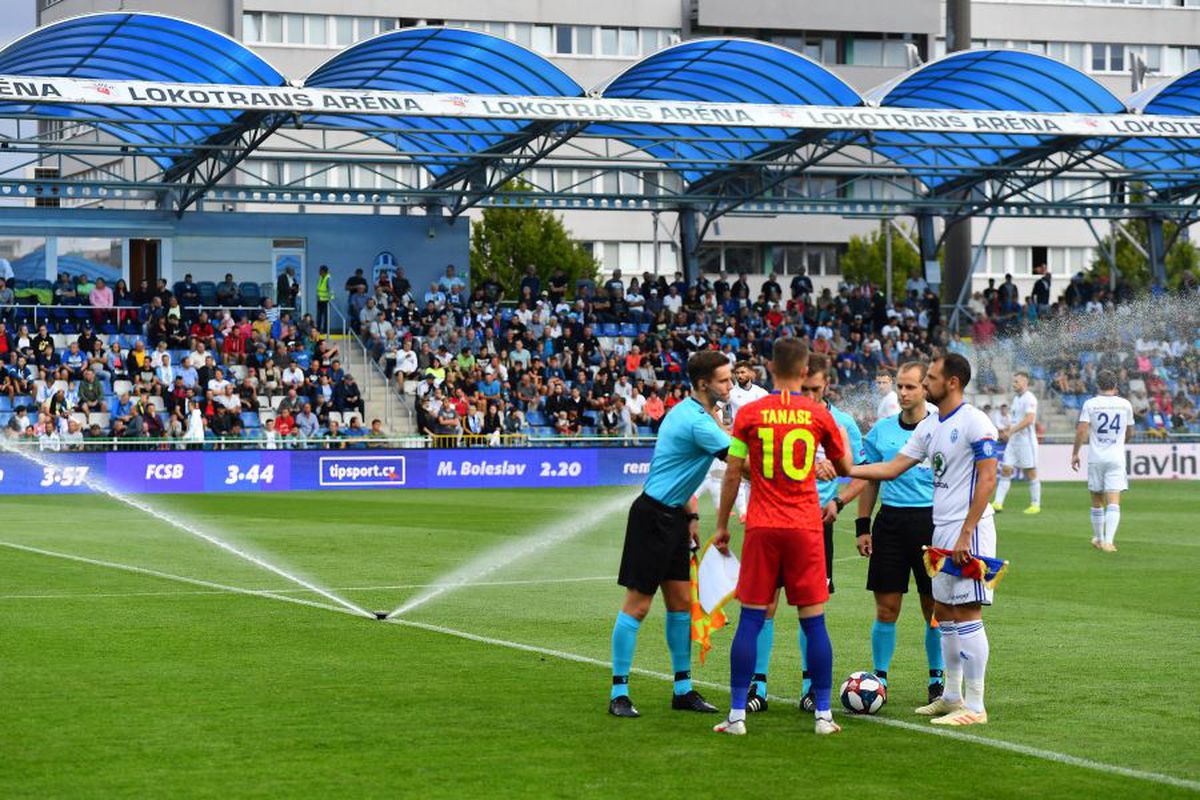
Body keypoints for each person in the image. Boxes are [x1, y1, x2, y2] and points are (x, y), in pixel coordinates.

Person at [711, 337, 852, 736]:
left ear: (770, 369)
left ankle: (738, 714)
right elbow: (845, 466)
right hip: (805, 527)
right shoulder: (817, 415)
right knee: (814, 622)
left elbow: (733, 471)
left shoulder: (750, 414)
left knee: (751, 620)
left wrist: (722, 525)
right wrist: (821, 459)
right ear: (806, 372)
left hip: (762, 525)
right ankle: (823, 715)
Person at [849, 354, 999, 726]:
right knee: (943, 613)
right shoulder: (931, 426)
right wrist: (845, 469)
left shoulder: (975, 422)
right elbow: (893, 467)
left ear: (951, 383)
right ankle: (950, 696)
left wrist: (967, 532)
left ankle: (975, 706)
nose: (925, 383)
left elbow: (989, 479)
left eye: (930, 377)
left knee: (968, 612)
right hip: (941, 528)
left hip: (970, 530)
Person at [607, 350, 732, 719]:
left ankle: (682, 689)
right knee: (639, 605)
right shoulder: (697, 420)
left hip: (675, 516)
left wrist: (691, 514)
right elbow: (741, 460)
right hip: (652, 518)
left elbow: (683, 470)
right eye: (724, 380)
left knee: (680, 604)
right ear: (703, 383)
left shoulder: (698, 414)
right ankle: (619, 693)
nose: (729, 385)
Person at [746, 353, 863, 713]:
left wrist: (839, 502)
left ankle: (811, 688)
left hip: (815, 526)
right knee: (765, 606)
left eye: (815, 389)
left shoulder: (841, 423)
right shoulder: (774, 416)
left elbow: (858, 473)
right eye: (805, 388)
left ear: (825, 383)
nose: (809, 396)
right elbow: (749, 467)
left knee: (810, 610)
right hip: (774, 522)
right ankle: (758, 687)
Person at [851, 361, 944, 703]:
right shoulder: (881, 430)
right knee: (886, 607)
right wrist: (863, 525)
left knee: (934, 607)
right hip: (890, 524)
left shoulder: (939, 427)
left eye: (910, 387)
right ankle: (880, 679)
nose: (903, 393)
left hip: (931, 523)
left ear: (925, 389)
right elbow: (869, 478)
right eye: (900, 387)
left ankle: (937, 679)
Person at [1071, 369, 1133, 552]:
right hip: (1116, 457)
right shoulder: (1125, 405)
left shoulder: (1090, 404)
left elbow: (1081, 430)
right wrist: (1122, 441)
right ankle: (1108, 541)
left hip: (1096, 457)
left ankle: (1098, 538)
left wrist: (1075, 453)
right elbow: (1130, 431)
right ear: (1115, 385)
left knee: (1097, 500)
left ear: (1097, 385)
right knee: (1113, 500)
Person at [992, 371, 1040, 514]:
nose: (1014, 384)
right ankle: (998, 503)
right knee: (1006, 469)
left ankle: (1035, 504)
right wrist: (1006, 430)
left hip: (1026, 441)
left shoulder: (1029, 398)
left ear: (1025, 382)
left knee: (1030, 472)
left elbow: (1029, 419)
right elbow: (1015, 420)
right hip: (1013, 442)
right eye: (1013, 382)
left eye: (1016, 382)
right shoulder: (1016, 399)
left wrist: (1011, 431)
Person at [316, 265, 333, 333]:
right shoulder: (320, 278)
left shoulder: (328, 278)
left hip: (326, 300)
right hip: (320, 300)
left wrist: (329, 299)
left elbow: (330, 290)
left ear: (324, 271)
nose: (319, 272)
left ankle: (326, 331)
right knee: (319, 316)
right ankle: (318, 330)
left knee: (326, 317)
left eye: (320, 271)